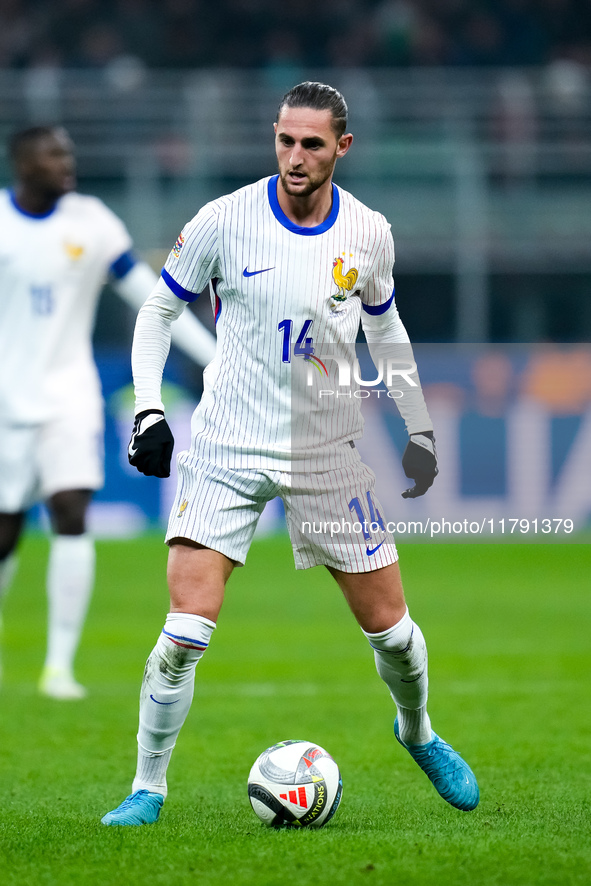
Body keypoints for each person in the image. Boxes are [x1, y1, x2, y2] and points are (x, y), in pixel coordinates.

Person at [102, 82, 479, 826]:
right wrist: (149, 409)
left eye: (311, 143)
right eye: (284, 140)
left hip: (324, 451)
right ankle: (147, 788)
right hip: (225, 446)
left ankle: (418, 733)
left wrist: (420, 430)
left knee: (393, 634)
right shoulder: (224, 219)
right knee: (185, 631)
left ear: (342, 147)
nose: (294, 156)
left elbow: (387, 332)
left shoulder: (367, 232)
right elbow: (157, 311)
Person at [0, 125, 216, 700]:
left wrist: (215, 356)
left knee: (71, 509)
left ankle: (58, 668)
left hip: (71, 395)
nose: (66, 161)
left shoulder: (91, 221)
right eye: (52, 154)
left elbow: (152, 295)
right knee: (5, 531)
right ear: (21, 163)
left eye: (68, 152)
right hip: (5, 399)